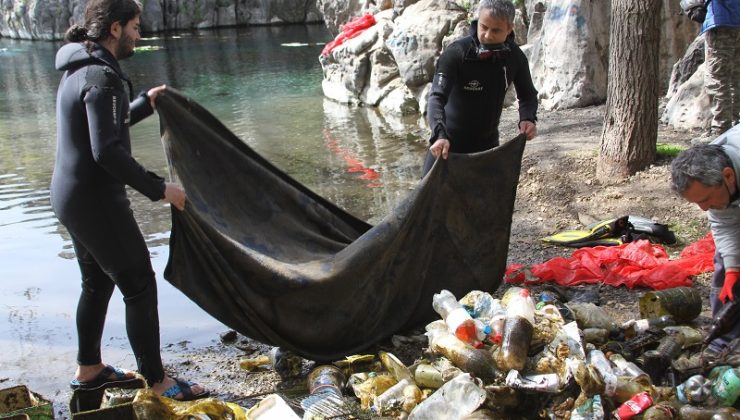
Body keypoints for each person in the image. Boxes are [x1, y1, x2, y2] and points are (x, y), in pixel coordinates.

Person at [51, 0, 208, 401]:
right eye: (136, 27)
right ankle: (158, 382)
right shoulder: (103, 77)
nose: (140, 35)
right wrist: (162, 189)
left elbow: (102, 129)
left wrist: (145, 103)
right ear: (116, 28)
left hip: (69, 196)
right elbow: (107, 151)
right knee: (139, 284)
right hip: (95, 200)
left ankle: (89, 370)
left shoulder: (78, 66)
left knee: (97, 281)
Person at [423, 0, 538, 175]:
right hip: (446, 148)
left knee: (487, 202)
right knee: (433, 203)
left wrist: (527, 118)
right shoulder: (456, 54)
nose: (487, 35)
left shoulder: (515, 57)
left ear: (509, 28)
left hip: (487, 149)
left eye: (496, 30)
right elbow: (436, 98)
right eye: (483, 27)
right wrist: (439, 135)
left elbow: (528, 95)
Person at [670, 124, 740, 362]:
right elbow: (724, 224)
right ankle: (722, 339)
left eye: (706, 199)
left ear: (728, 177)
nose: (703, 208)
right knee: (726, 267)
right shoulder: (719, 162)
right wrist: (733, 269)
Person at [701, 0, 739, 137]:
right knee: (735, 77)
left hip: (721, 21)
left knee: (717, 79)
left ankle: (720, 131)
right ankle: (735, 129)